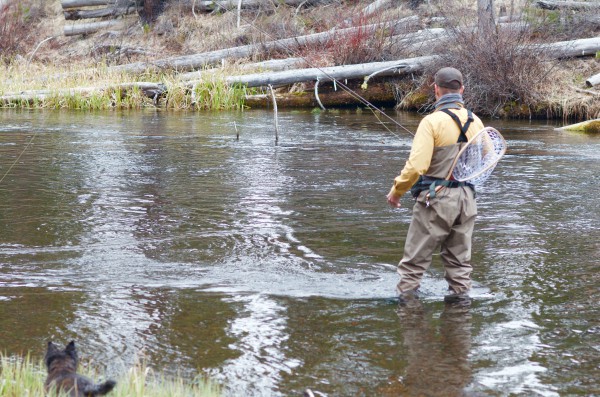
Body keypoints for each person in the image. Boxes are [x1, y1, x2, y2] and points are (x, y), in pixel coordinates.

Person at [386, 67, 485, 304]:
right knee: (460, 264)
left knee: (413, 264)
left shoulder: (431, 122)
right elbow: (486, 158)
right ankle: (460, 321)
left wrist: (396, 191)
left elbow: (416, 166)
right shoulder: (477, 121)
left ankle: (408, 314)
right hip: (467, 199)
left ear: (436, 89)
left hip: (437, 200)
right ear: (461, 89)